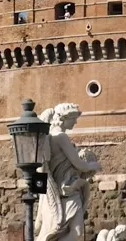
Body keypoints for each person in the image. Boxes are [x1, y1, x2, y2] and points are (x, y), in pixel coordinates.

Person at [35, 103, 101, 241]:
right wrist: (93, 165)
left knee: (73, 232)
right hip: (66, 191)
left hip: (64, 190)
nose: (76, 122)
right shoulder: (60, 137)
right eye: (74, 118)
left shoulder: (51, 137)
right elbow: (79, 164)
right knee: (76, 233)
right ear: (65, 117)